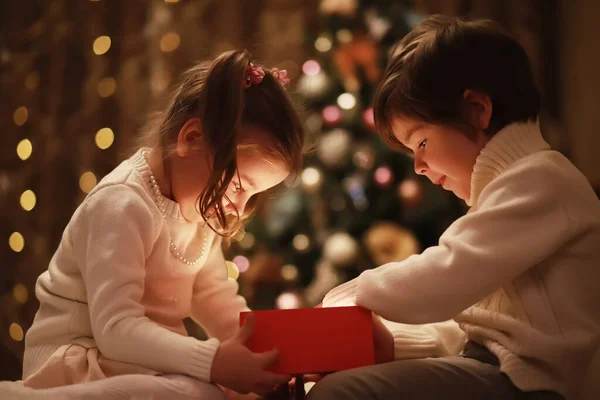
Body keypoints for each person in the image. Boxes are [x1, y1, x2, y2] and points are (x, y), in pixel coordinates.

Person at [308, 15, 600, 400]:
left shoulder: (541, 181)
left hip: (536, 385)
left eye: (422, 143)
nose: (418, 166)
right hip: (502, 370)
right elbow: (477, 326)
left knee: (342, 392)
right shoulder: (508, 191)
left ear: (477, 109)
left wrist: (354, 292)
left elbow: (444, 278)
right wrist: (394, 346)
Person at [19, 49, 305, 399]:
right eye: (238, 186)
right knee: (200, 393)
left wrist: (271, 359)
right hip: (79, 362)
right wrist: (214, 361)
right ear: (191, 139)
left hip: (138, 364)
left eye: (253, 196)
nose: (239, 207)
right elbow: (115, 328)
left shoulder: (201, 212)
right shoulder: (122, 203)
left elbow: (216, 299)